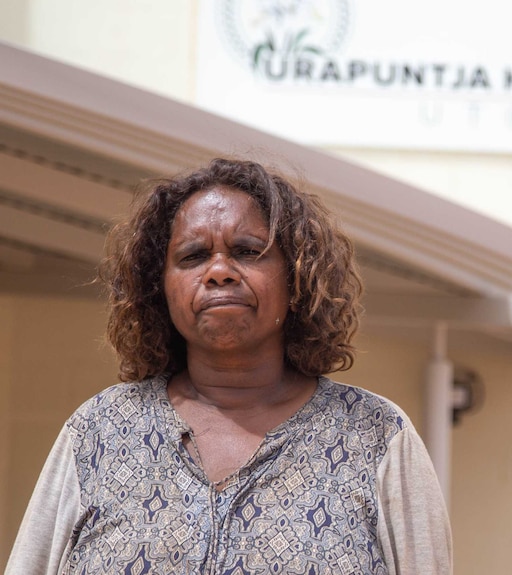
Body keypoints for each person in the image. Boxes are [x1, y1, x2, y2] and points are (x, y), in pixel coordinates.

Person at [5, 158, 452, 574]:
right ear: (158, 289)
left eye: (247, 251)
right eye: (193, 256)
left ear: (296, 278)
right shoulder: (97, 432)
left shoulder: (376, 436)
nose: (219, 271)